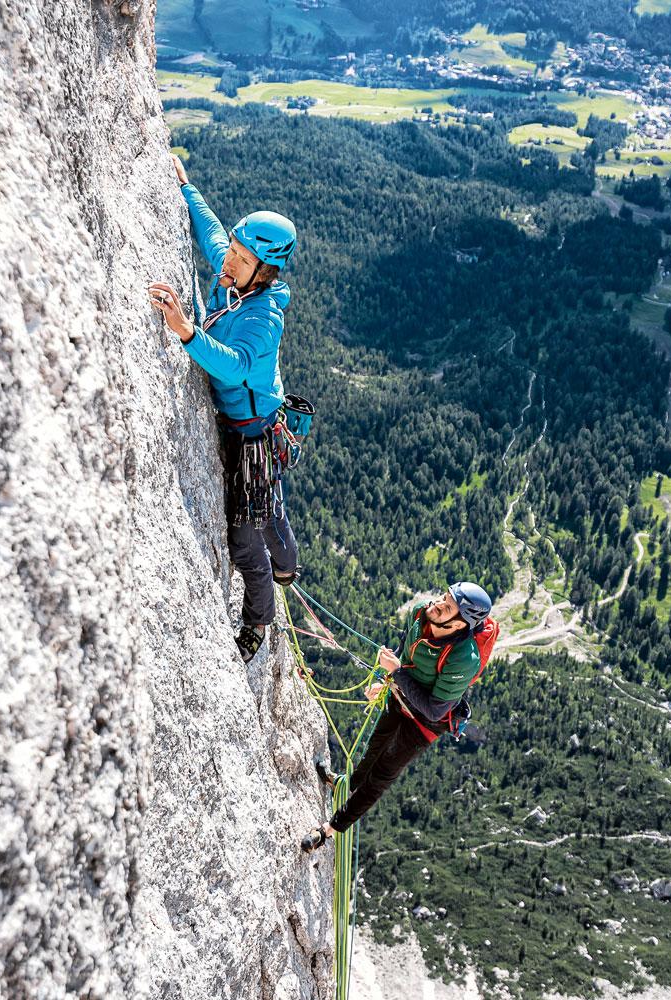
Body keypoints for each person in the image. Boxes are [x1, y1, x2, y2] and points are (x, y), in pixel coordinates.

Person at [148, 153, 300, 662]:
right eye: (233, 252)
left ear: (265, 271)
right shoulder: (236, 280)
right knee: (270, 504)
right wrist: (186, 188)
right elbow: (212, 233)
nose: (228, 262)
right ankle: (288, 562)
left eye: (240, 258)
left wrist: (187, 332)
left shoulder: (263, 317)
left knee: (243, 534)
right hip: (245, 422)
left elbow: (234, 367)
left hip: (252, 433)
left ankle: (259, 618)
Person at [300, 582, 494, 852]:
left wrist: (397, 674)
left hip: (425, 724)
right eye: (443, 597)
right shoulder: (419, 614)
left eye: (447, 607)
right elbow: (407, 656)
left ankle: (329, 830)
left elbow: (435, 709)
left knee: (382, 775)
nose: (437, 604)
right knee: (374, 750)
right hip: (400, 698)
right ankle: (345, 784)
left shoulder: (464, 658)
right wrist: (387, 680)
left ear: (460, 625)